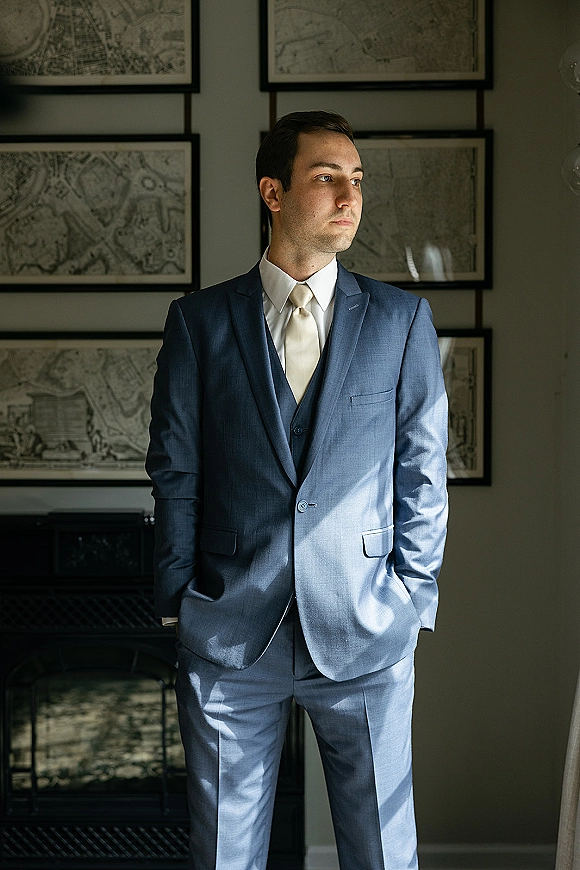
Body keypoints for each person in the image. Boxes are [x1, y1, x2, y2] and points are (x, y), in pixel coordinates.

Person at [146, 110, 448, 870]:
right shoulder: (199, 322)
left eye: (357, 180)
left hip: (366, 626)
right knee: (225, 856)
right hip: (229, 629)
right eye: (327, 178)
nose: (350, 196)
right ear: (272, 192)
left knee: (382, 850)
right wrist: (175, 597)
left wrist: (413, 595)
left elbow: (423, 469)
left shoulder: (401, 321)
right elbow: (175, 470)